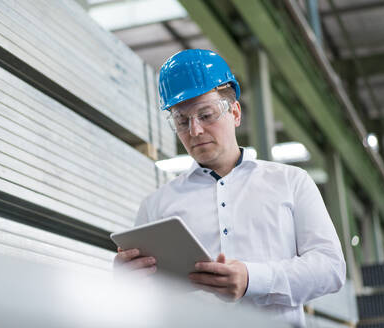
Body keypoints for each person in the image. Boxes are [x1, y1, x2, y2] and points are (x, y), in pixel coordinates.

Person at [114, 49, 346, 327]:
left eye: (206, 115)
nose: (195, 131)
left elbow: (331, 269)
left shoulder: (291, 182)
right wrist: (127, 282)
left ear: (235, 112)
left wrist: (253, 279)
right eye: (181, 121)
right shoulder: (156, 206)